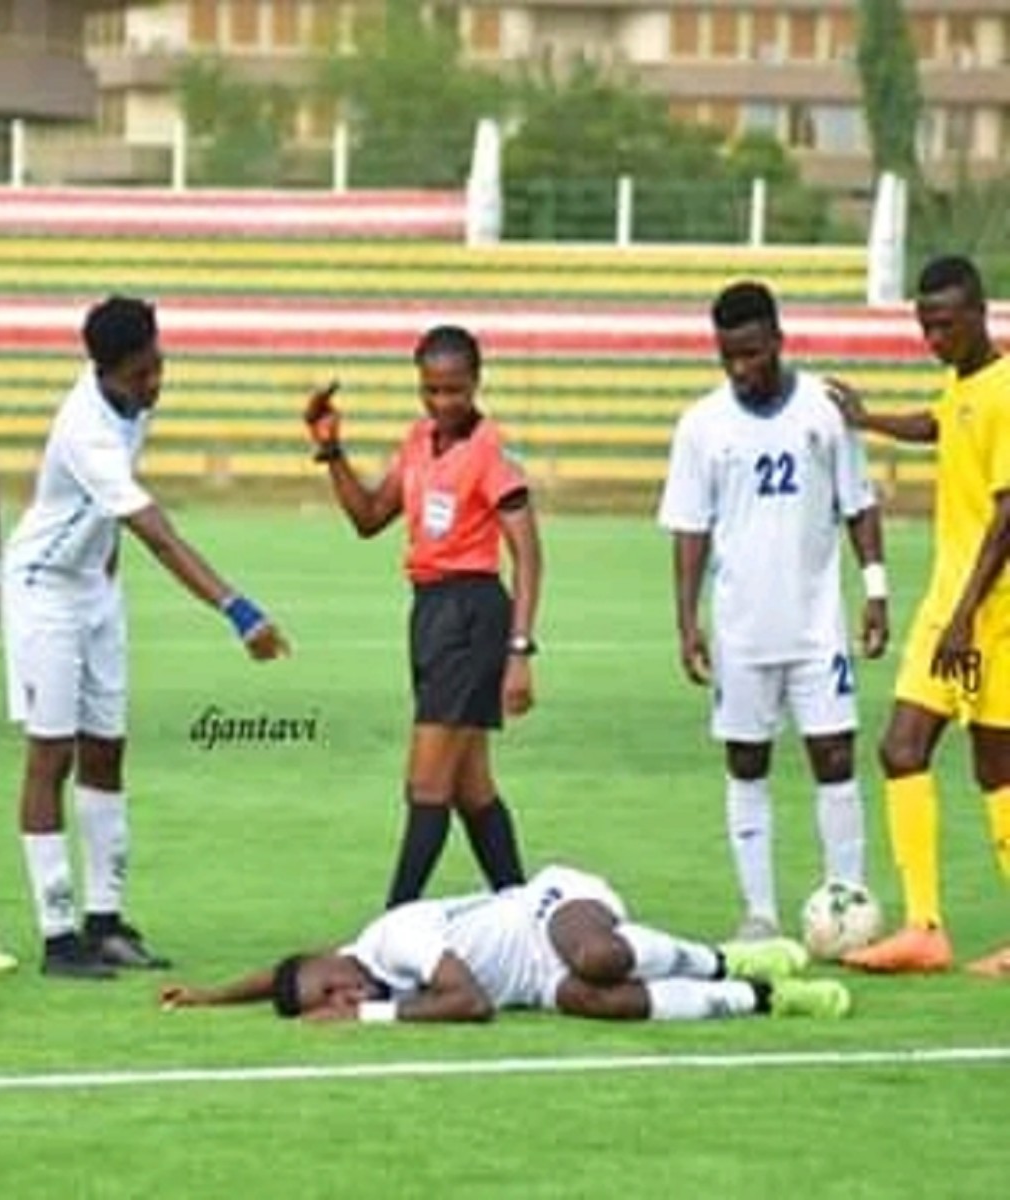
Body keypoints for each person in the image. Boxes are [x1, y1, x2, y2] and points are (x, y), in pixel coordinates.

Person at [4, 294, 289, 979]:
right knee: (51, 758)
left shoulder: (135, 402)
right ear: (104, 371)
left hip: (97, 590)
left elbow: (112, 519)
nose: (155, 382)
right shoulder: (87, 431)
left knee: (106, 751)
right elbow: (160, 535)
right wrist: (238, 610)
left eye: (158, 364)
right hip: (44, 592)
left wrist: (102, 576)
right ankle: (58, 935)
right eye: (140, 374)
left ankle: (104, 922)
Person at [657, 281, 889, 940]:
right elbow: (690, 529)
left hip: (818, 624)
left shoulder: (825, 408)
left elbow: (859, 504)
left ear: (778, 341)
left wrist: (875, 590)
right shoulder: (702, 425)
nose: (741, 369)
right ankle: (759, 913)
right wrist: (686, 620)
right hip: (741, 631)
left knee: (836, 758)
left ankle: (846, 909)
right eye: (728, 356)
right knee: (747, 763)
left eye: (753, 354)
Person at [302, 325, 537, 910]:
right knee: (469, 787)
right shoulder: (417, 440)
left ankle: (392, 924)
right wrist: (331, 450)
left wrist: (520, 652)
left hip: (473, 614)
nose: (442, 403)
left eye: (454, 390)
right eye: (431, 390)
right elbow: (368, 518)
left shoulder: (489, 453)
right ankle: (523, 911)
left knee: (425, 784)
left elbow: (529, 556)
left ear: (476, 383)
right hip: (430, 613)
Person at [830, 254, 1010, 977]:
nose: (932, 338)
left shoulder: (1006, 389)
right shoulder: (964, 382)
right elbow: (939, 425)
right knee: (902, 748)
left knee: (998, 769)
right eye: (924, 325)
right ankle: (925, 926)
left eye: (944, 324)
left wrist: (967, 612)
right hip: (950, 606)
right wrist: (867, 417)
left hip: (992, 611)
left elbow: (1008, 514)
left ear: (979, 314)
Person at [158, 863, 851, 1024]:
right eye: (333, 1000)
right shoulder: (343, 972)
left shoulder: (396, 939)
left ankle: (723, 956)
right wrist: (209, 997)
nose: (344, 997)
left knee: (598, 959)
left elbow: (473, 1003)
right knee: (596, 1001)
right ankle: (762, 996)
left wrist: (366, 1017)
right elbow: (284, 979)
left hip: (548, 907)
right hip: (533, 982)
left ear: (335, 956)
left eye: (335, 987)